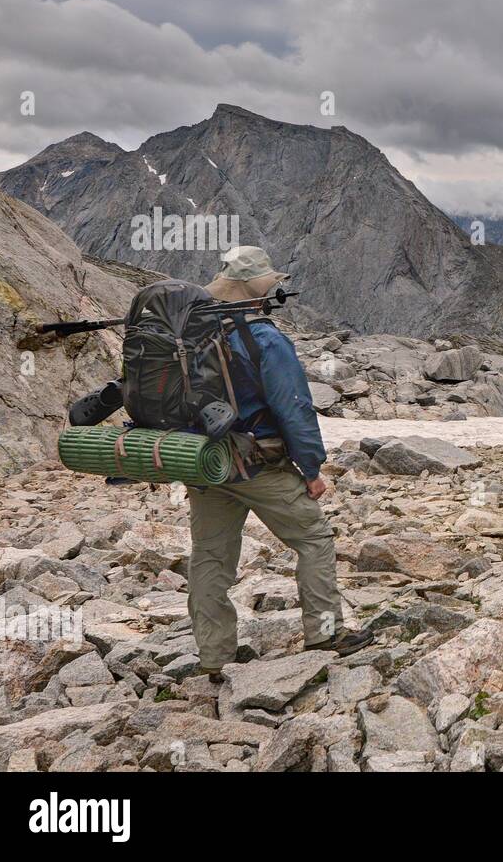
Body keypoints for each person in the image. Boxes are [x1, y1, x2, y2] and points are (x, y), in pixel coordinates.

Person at [189, 245, 371, 681]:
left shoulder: (192, 336)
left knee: (211, 557)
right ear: (258, 293)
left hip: (204, 463)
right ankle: (325, 634)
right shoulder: (264, 338)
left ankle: (214, 658)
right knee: (313, 537)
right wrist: (311, 468)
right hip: (258, 462)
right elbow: (294, 408)